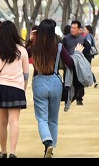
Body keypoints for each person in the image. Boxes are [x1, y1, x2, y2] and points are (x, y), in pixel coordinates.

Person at [29, 19, 75, 158]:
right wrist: (78, 54)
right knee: (53, 119)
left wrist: (31, 40)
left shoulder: (34, 47)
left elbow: (24, 54)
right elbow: (70, 63)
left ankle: (47, 142)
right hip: (55, 82)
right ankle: (51, 148)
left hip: (39, 82)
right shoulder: (59, 46)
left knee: (42, 118)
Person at [0, 20, 29, 159]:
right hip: (16, 89)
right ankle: (12, 152)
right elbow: (26, 73)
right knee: (14, 121)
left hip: (0, 88)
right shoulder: (22, 50)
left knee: (2, 122)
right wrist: (24, 87)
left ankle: (3, 151)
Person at [61, 20, 86, 105]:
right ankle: (67, 98)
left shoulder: (82, 39)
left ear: (79, 29)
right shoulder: (66, 39)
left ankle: (79, 98)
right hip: (68, 64)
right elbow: (62, 50)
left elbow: (86, 51)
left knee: (79, 81)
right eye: (72, 28)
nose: (72, 30)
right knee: (67, 82)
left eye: (75, 28)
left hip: (79, 65)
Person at [83, 24, 99, 88]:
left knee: (87, 69)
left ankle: (95, 82)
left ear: (88, 30)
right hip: (89, 55)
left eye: (85, 29)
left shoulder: (88, 36)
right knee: (87, 68)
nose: (84, 31)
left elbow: (88, 45)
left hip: (88, 55)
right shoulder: (90, 36)